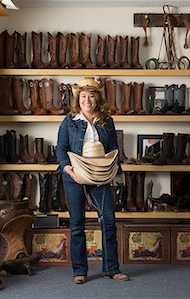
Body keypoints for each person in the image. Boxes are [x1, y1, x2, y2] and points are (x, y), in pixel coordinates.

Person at [56, 77, 128, 284]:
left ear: (97, 99)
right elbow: (61, 148)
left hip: (100, 175)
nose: (87, 100)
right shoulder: (69, 121)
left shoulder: (107, 120)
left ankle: (112, 269)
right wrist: (68, 169)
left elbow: (114, 147)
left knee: (109, 220)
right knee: (77, 223)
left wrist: (113, 170)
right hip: (74, 175)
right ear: (78, 99)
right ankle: (80, 271)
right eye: (84, 96)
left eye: (91, 96)